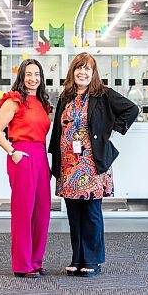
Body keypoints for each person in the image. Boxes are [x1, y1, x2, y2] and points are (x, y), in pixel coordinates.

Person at [48, 52, 139, 277]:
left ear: (93, 72)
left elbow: (132, 109)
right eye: (79, 68)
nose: (83, 72)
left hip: (92, 164)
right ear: (72, 72)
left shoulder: (103, 95)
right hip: (69, 165)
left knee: (91, 212)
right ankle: (77, 258)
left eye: (87, 68)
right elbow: (58, 131)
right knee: (73, 214)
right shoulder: (65, 97)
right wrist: (55, 162)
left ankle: (92, 260)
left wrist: (109, 130)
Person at [0, 59, 52, 278]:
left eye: (37, 74)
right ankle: (22, 265)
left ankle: (36, 261)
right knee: (23, 211)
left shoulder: (43, 103)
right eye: (28, 74)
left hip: (41, 156)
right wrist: (12, 152)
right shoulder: (14, 100)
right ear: (21, 76)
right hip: (22, 155)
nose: (33, 79)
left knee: (42, 211)